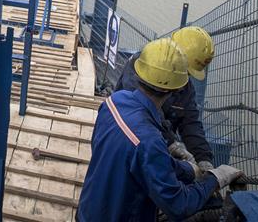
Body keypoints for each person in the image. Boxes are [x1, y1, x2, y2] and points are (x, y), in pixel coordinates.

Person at [77, 38, 243, 221]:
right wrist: (214, 179)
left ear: (139, 72)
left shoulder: (112, 103)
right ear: (178, 86)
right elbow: (178, 205)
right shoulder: (150, 140)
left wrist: (188, 170)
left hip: (88, 210)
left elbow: (138, 158)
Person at [116, 26, 216, 171]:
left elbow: (190, 122)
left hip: (156, 145)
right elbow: (144, 108)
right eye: (185, 70)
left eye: (188, 73)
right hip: (128, 138)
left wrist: (203, 158)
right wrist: (171, 143)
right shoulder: (143, 64)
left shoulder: (185, 87)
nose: (185, 77)